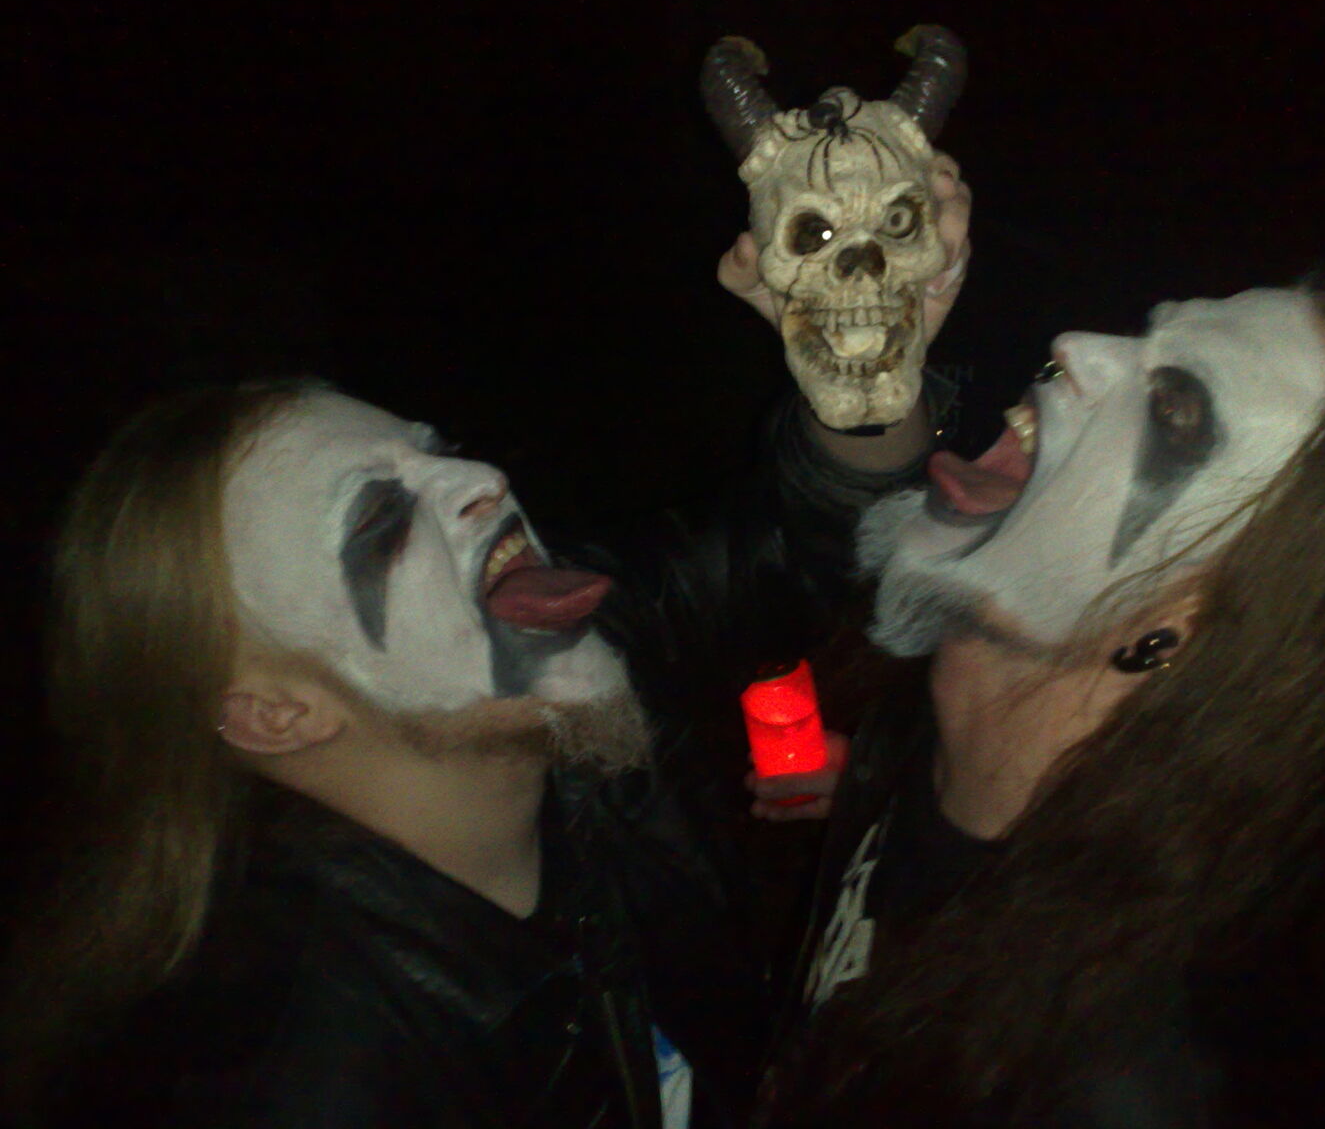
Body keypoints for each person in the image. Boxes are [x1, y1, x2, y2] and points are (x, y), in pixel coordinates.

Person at [1, 168, 972, 1129]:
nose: (480, 480)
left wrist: (864, 376)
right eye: (381, 523)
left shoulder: (548, 688)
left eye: (436, 451)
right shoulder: (307, 1078)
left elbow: (797, 546)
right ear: (276, 713)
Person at [758, 288, 1325, 1126]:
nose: (1074, 343)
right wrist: (867, 792)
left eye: (1176, 407)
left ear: (1191, 631)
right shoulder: (907, 750)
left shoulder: (1106, 1083)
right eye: (1148, 335)